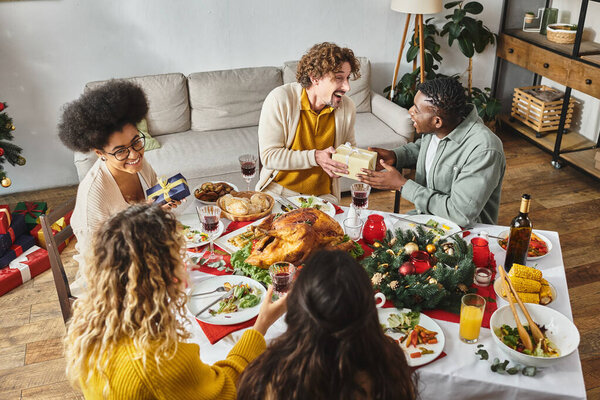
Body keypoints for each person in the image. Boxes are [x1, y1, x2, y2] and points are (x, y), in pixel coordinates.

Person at [64, 203, 287, 399]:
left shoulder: (92, 321)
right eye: (179, 253)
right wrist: (262, 325)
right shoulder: (162, 358)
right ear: (164, 272)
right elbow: (225, 389)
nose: (186, 262)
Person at [237, 250, 417, 400]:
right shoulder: (389, 370)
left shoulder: (268, 378)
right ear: (368, 309)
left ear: (298, 311)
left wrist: (261, 324)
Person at [58, 80, 178, 289]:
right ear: (100, 153)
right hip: (111, 281)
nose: (134, 154)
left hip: (148, 256)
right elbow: (97, 263)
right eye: (121, 150)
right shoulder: (93, 196)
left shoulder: (139, 165)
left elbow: (149, 207)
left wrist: (157, 209)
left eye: (136, 142)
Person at [358, 78, 505, 227]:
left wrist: (402, 185)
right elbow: (424, 150)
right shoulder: (440, 128)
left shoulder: (484, 149)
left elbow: (460, 214)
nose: (410, 112)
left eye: (416, 110)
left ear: (437, 121)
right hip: (426, 219)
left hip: (464, 234)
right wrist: (395, 156)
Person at [256, 42, 361, 203]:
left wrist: (352, 165)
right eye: (339, 78)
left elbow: (348, 151)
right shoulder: (280, 99)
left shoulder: (347, 107)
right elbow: (269, 157)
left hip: (323, 197)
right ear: (315, 77)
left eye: (347, 78)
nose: (347, 87)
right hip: (279, 193)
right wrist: (316, 157)